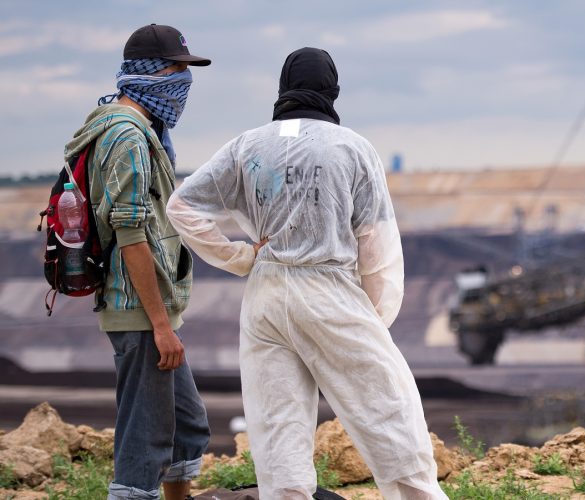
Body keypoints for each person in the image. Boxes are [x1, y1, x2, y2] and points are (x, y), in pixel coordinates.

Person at [167, 47, 446, 499]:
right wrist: (373, 315)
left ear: (283, 87)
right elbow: (374, 240)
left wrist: (240, 257)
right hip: (330, 290)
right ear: (331, 90)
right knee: (388, 411)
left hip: (266, 296)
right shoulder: (351, 148)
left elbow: (181, 206)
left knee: (278, 425)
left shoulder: (246, 145)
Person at [63, 24, 212, 500]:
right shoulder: (127, 138)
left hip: (151, 310)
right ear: (153, 73)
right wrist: (160, 325)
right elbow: (130, 235)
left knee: (186, 424)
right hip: (139, 308)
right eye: (177, 70)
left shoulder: (135, 128)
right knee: (144, 440)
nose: (183, 83)